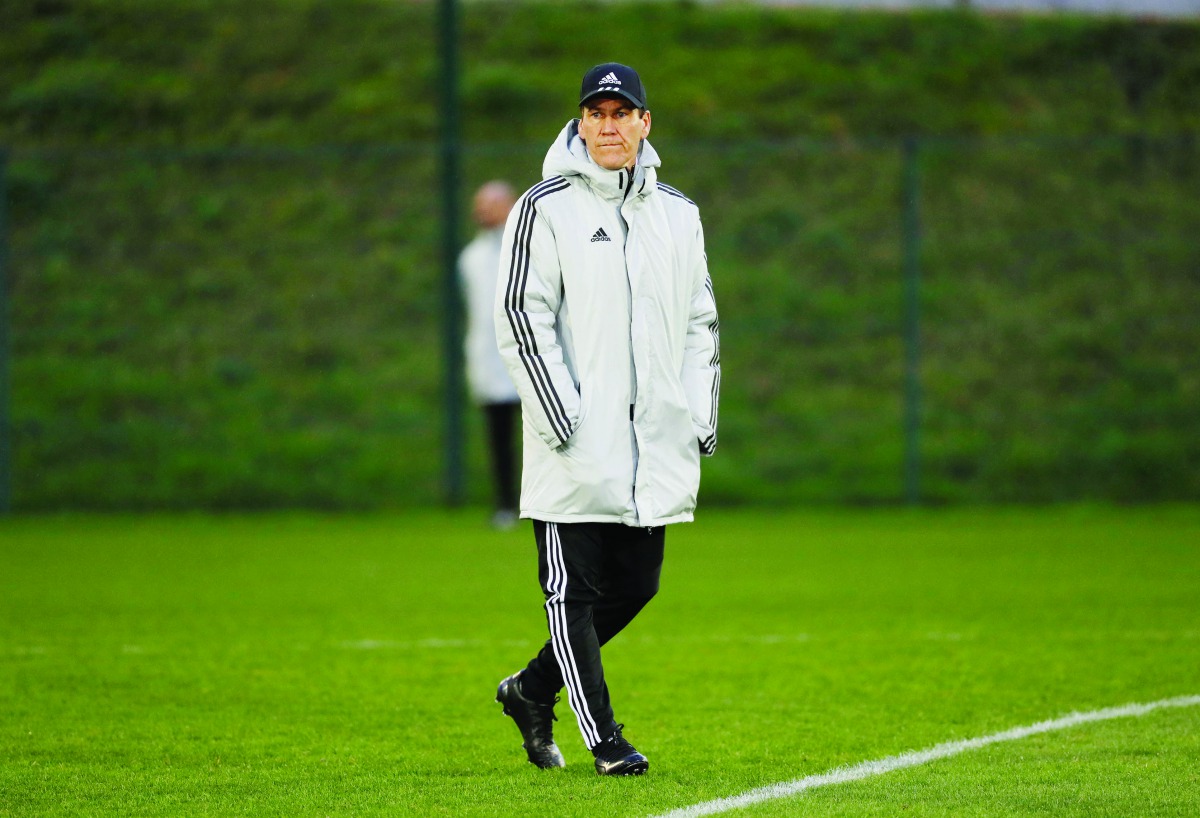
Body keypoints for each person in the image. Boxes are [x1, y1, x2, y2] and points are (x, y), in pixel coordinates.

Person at [492, 63, 720, 776]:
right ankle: (606, 741)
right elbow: (523, 317)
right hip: (573, 444)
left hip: (651, 444)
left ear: (646, 124)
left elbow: (700, 321)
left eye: (625, 112)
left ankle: (530, 690)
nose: (612, 124)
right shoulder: (544, 206)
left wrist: (695, 416)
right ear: (581, 124)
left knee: (637, 585)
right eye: (599, 112)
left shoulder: (679, 213)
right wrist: (565, 417)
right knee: (573, 592)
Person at [459, 181, 522, 529]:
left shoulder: (531, 247)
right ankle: (505, 505)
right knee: (500, 438)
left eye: (493, 203)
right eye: (480, 204)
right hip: (491, 360)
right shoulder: (470, 258)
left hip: (534, 357)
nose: (484, 210)